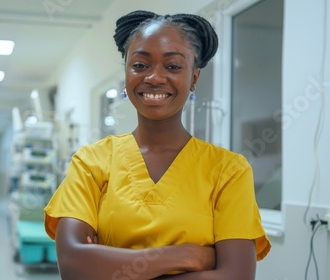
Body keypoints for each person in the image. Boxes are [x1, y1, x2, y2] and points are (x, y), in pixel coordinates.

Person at [44, 10, 271, 279]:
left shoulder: (228, 170)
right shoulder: (91, 161)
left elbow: (236, 276)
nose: (154, 77)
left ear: (194, 78)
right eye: (140, 65)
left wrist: (108, 265)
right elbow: (73, 265)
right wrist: (190, 256)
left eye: (173, 66)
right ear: (127, 75)